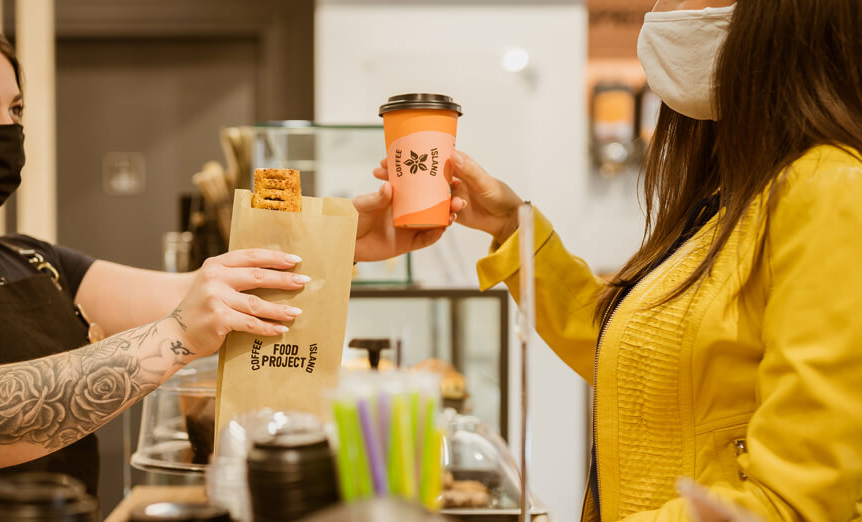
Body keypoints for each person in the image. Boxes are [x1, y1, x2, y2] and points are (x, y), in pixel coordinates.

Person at [0, 2, 421, 520]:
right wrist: (176, 337)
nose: (6, 129)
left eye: (14, 110)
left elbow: (200, 292)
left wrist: (336, 242)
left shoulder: (30, 259)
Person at [355, 0, 862, 520]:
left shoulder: (828, 189)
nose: (668, 9)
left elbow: (794, 500)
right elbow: (634, 355)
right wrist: (512, 228)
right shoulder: (729, 194)